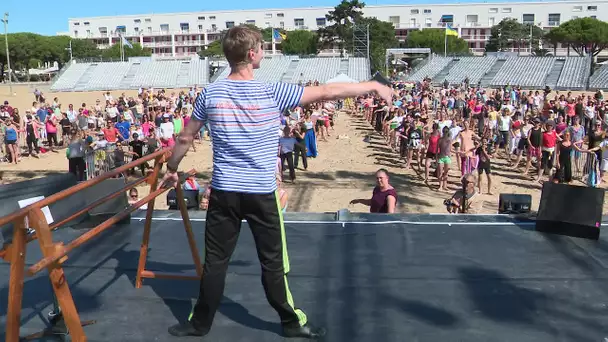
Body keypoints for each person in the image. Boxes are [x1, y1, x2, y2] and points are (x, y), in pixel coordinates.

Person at [162, 25, 393, 339]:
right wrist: (373, 86)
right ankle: (291, 322)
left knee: (215, 262)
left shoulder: (210, 94)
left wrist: (172, 167)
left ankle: (199, 324)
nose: (263, 52)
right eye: (261, 48)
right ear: (253, 54)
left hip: (225, 192)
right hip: (260, 193)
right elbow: (327, 92)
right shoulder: (273, 92)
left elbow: (187, 137)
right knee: (273, 263)